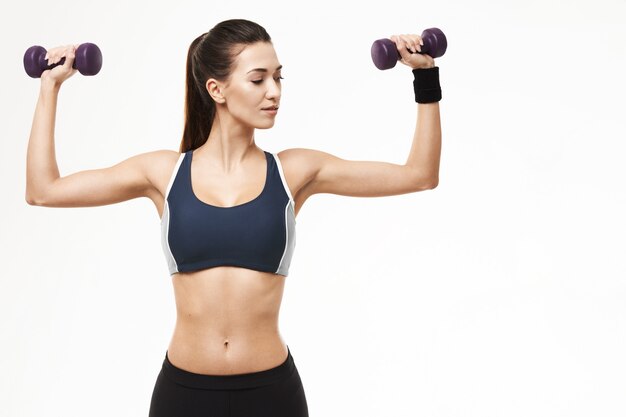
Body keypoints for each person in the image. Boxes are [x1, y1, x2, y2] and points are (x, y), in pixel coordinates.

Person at [25, 18, 441, 417]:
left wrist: (425, 77)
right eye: (258, 79)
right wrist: (50, 87)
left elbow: (419, 175)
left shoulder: (294, 172)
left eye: (279, 77)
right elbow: (44, 191)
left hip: (271, 395)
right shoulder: (163, 174)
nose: (274, 91)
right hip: (183, 395)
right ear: (216, 89)